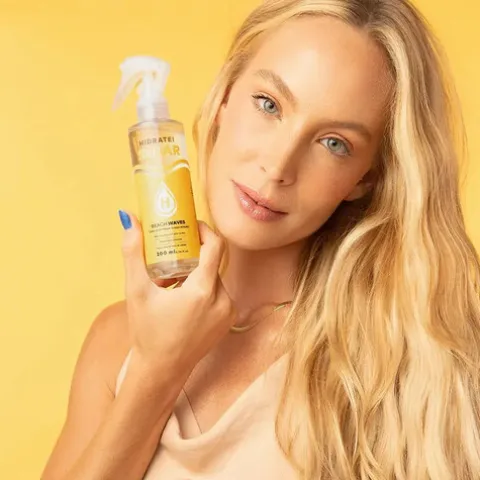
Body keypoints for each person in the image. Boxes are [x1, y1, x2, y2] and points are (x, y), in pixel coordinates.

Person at [41, 0, 480, 479]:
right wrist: (156, 370)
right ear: (225, 98)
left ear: (365, 177)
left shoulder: (408, 358)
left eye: (334, 143)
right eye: (269, 104)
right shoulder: (117, 340)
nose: (278, 165)